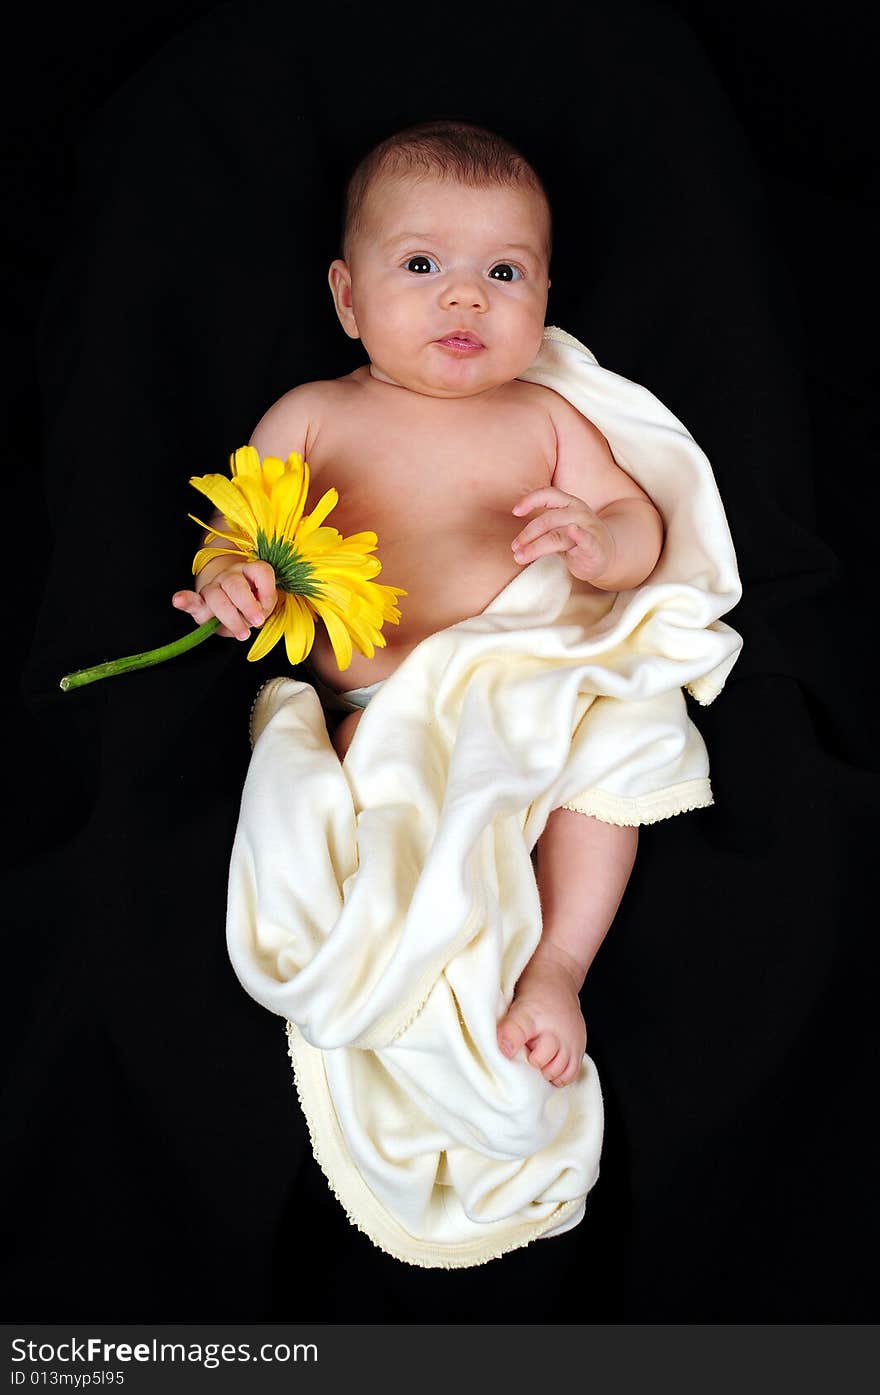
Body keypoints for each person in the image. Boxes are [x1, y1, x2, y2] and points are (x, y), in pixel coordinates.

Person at [171, 119, 665, 1092]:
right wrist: (232, 576)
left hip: (528, 696)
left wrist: (596, 539)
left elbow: (635, 523)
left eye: (506, 274)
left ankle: (556, 967)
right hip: (381, 710)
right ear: (348, 299)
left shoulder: (547, 418)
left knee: (619, 759)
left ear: (545, 300)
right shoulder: (316, 414)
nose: (464, 295)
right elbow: (237, 525)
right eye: (423, 263)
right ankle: (414, 968)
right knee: (371, 830)